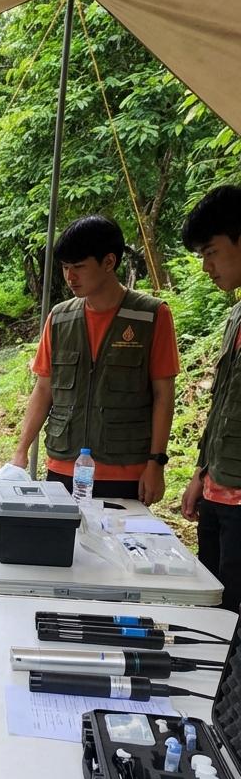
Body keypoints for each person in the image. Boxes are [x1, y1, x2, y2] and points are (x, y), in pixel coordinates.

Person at [11, 215, 179, 504]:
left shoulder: (151, 316)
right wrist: (21, 450)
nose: (70, 277)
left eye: (78, 267)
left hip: (124, 470)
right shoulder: (59, 318)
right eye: (65, 267)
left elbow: (164, 394)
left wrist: (156, 463)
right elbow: (44, 388)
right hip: (63, 468)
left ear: (109, 262)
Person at [179, 186, 241, 613]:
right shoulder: (236, 315)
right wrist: (201, 473)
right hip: (218, 494)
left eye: (212, 252)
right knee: (216, 611)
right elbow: (222, 407)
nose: (206, 267)